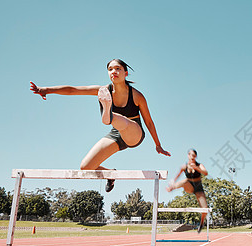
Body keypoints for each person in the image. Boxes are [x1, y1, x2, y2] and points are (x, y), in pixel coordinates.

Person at [29, 59, 171, 192]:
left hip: (134, 132)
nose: (113, 71)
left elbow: (149, 122)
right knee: (86, 167)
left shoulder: (136, 95)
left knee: (123, 122)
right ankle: (110, 174)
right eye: (110, 69)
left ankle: (109, 115)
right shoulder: (103, 90)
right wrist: (46, 89)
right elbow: (73, 90)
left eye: (118, 68)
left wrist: (158, 145)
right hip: (116, 134)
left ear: (125, 73)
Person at [166, 149, 209, 233]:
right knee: (185, 181)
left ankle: (201, 223)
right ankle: (172, 188)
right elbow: (177, 175)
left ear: (195, 156)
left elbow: (206, 172)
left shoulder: (199, 165)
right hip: (189, 186)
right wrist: (172, 183)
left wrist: (196, 168)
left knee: (204, 209)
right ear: (188, 156)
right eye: (190, 155)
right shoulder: (184, 166)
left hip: (198, 188)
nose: (192, 157)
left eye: (193, 155)